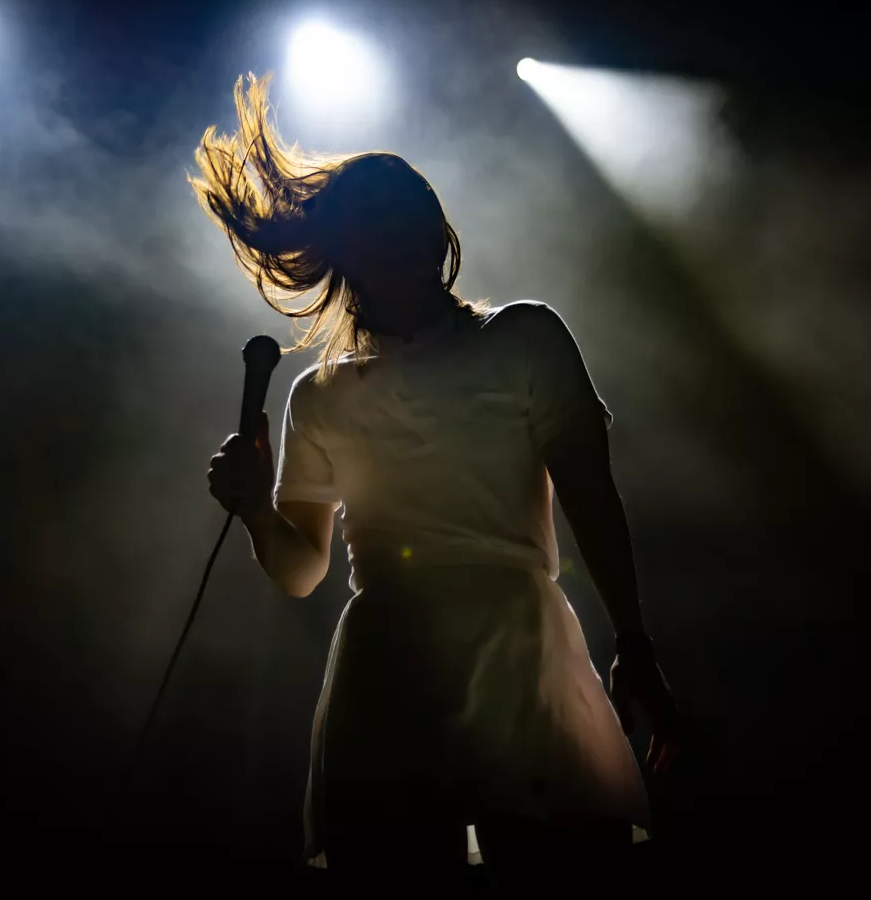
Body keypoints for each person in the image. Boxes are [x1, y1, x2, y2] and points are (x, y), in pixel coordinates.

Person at [193, 75, 680, 884]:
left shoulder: (525, 338)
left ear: (437, 231)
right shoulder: (319, 395)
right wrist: (252, 510)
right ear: (351, 250)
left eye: (414, 220)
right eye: (382, 227)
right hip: (388, 663)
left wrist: (633, 640)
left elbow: (591, 496)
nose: (406, 242)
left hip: (518, 646)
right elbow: (303, 569)